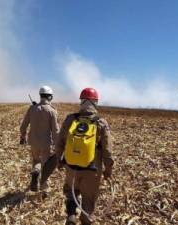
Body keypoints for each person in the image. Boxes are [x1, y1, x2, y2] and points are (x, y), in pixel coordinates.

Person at [55, 87, 114, 225]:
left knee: (71, 191)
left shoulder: (71, 119)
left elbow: (60, 142)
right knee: (88, 199)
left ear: (81, 101)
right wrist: (108, 170)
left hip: (71, 167)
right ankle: (86, 220)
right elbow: (108, 150)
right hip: (92, 170)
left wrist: (59, 160)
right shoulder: (101, 122)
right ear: (95, 102)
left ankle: (71, 214)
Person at [20, 86, 59, 192]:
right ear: (50, 97)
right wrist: (58, 145)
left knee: (36, 160)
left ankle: (35, 171)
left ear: (40, 95)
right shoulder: (52, 111)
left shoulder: (32, 109)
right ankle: (45, 189)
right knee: (46, 166)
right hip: (46, 143)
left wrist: (22, 136)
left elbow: (23, 125)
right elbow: (55, 130)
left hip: (33, 142)